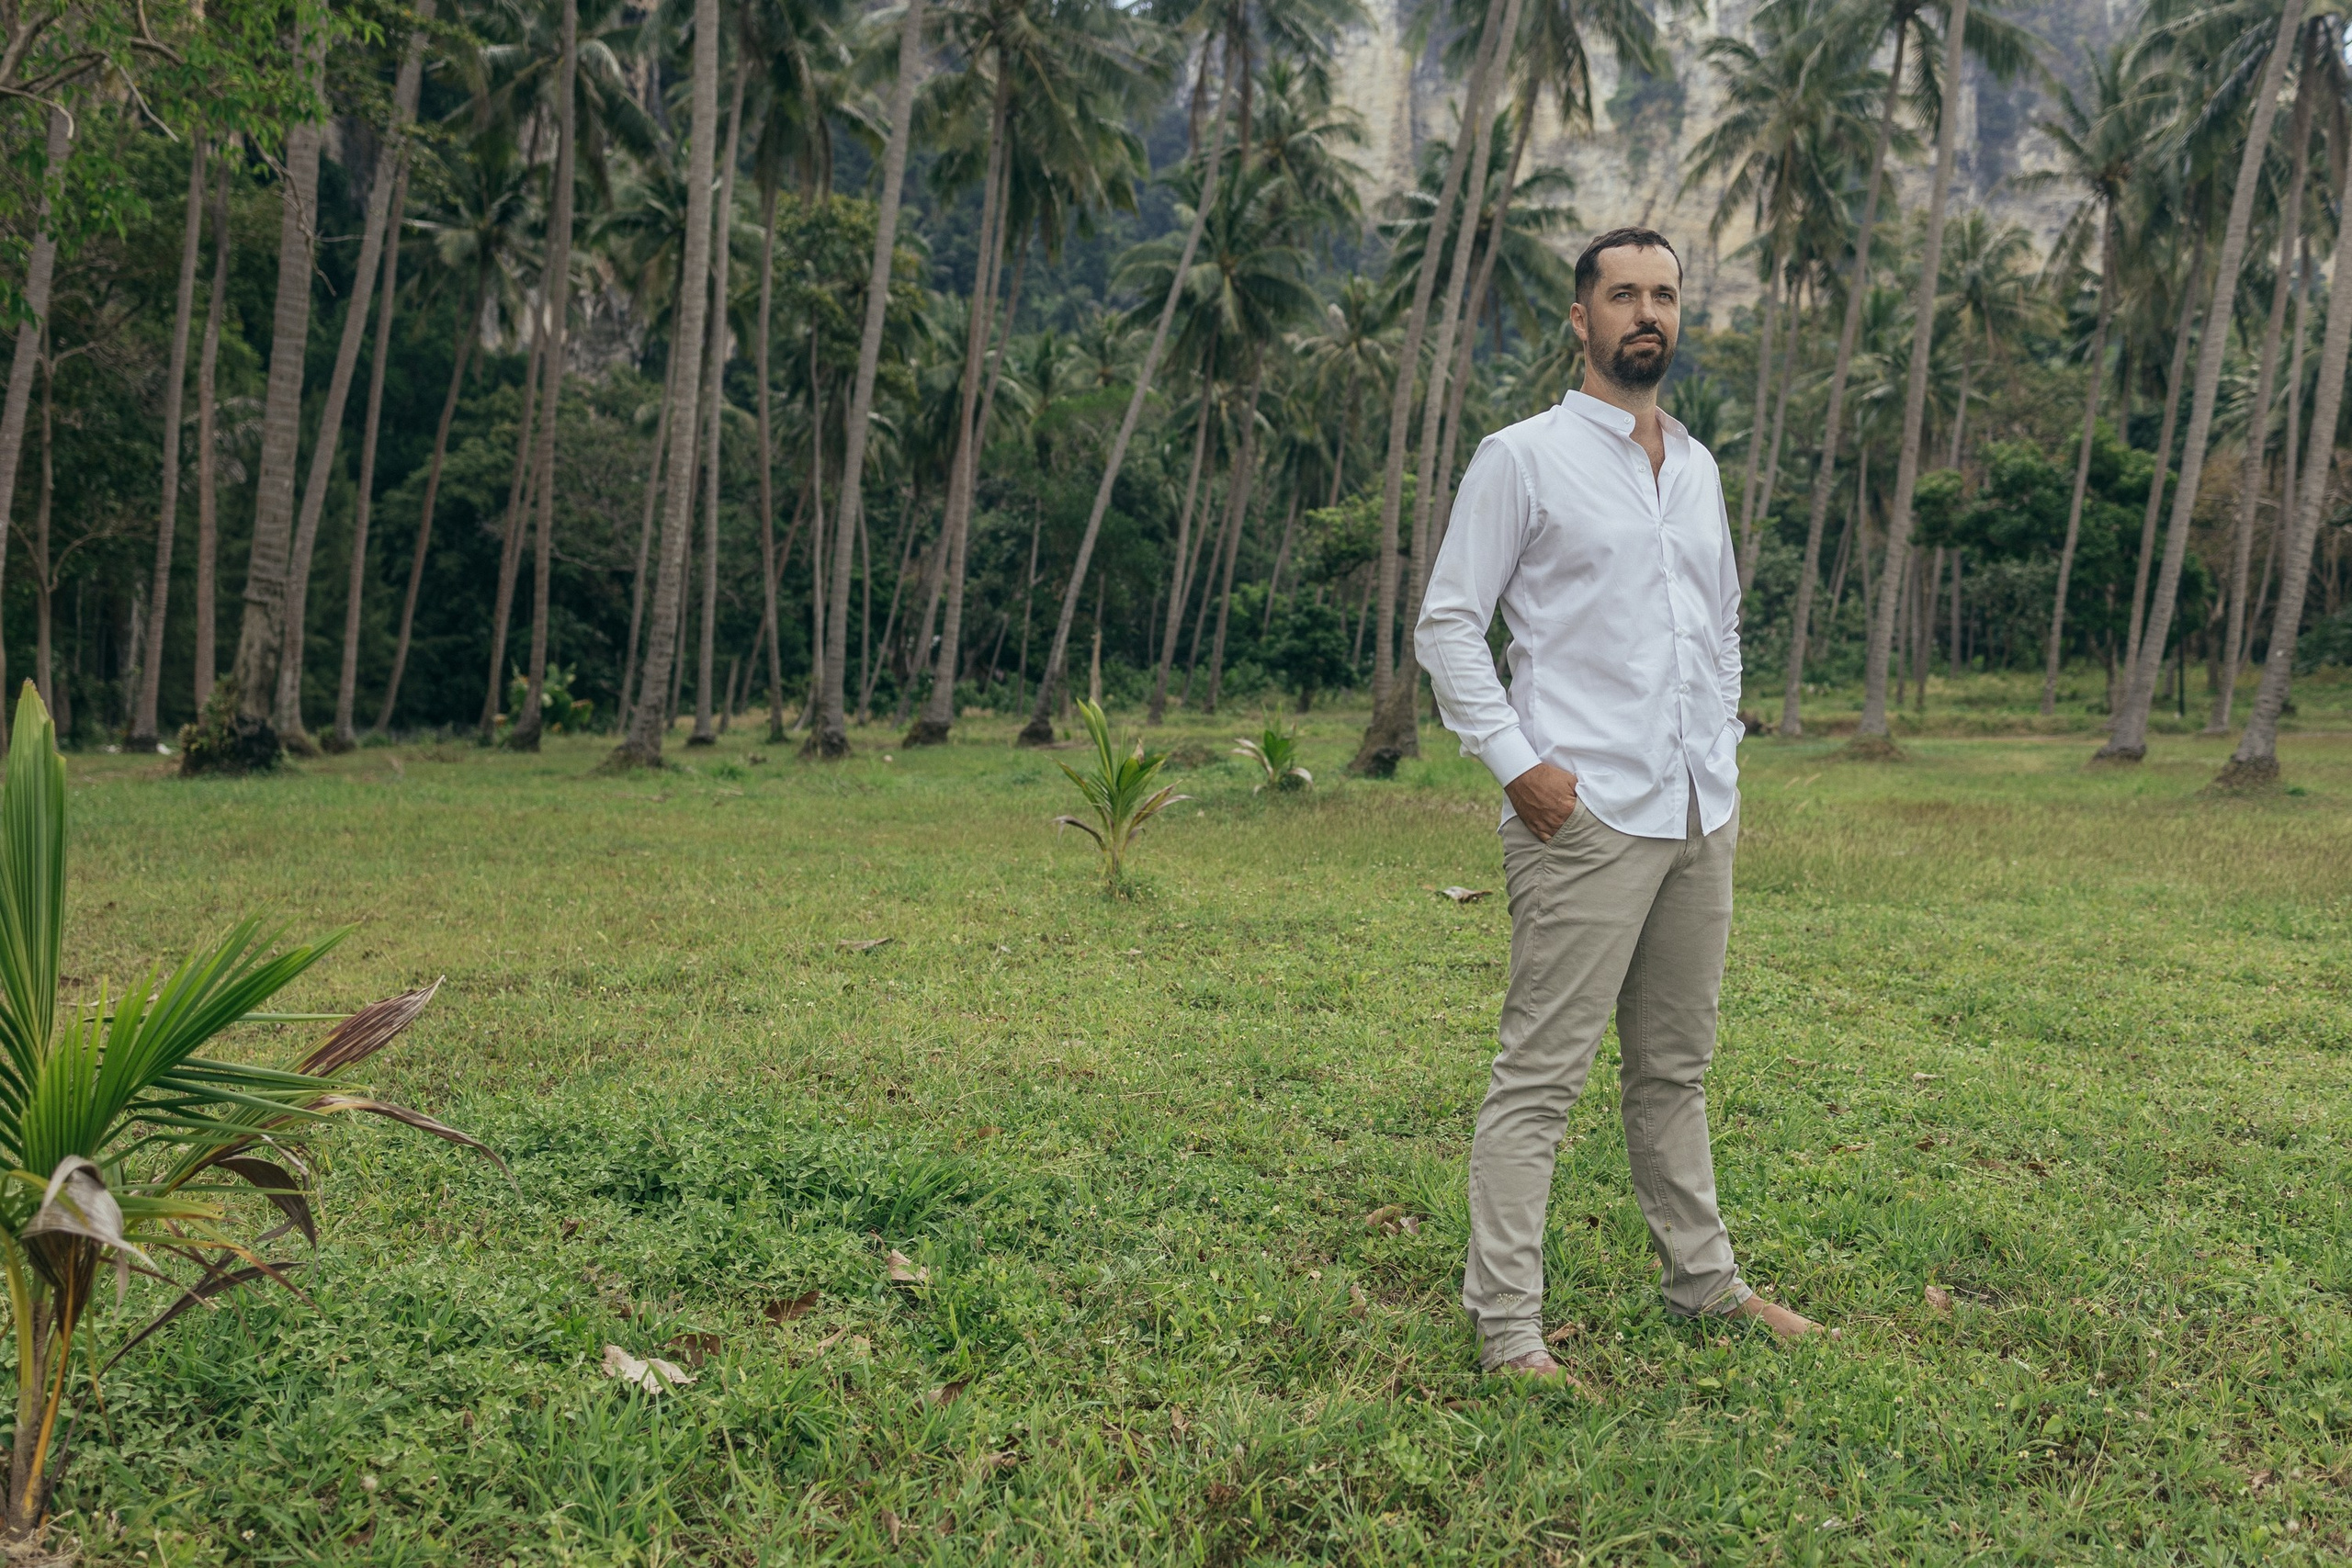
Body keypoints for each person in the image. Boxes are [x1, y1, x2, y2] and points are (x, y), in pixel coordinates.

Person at [1415, 227, 1826, 1380]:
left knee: (1674, 1069)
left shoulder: (1694, 466)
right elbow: (1449, 621)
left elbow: (1722, 618)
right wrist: (1516, 762)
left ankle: (1704, 1285)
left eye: (1664, 295)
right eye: (1623, 295)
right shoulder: (1522, 457)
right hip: (1581, 817)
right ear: (1580, 320)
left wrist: (1723, 740)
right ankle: (1506, 1326)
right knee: (1540, 1077)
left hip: (1699, 812)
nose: (1646, 312)